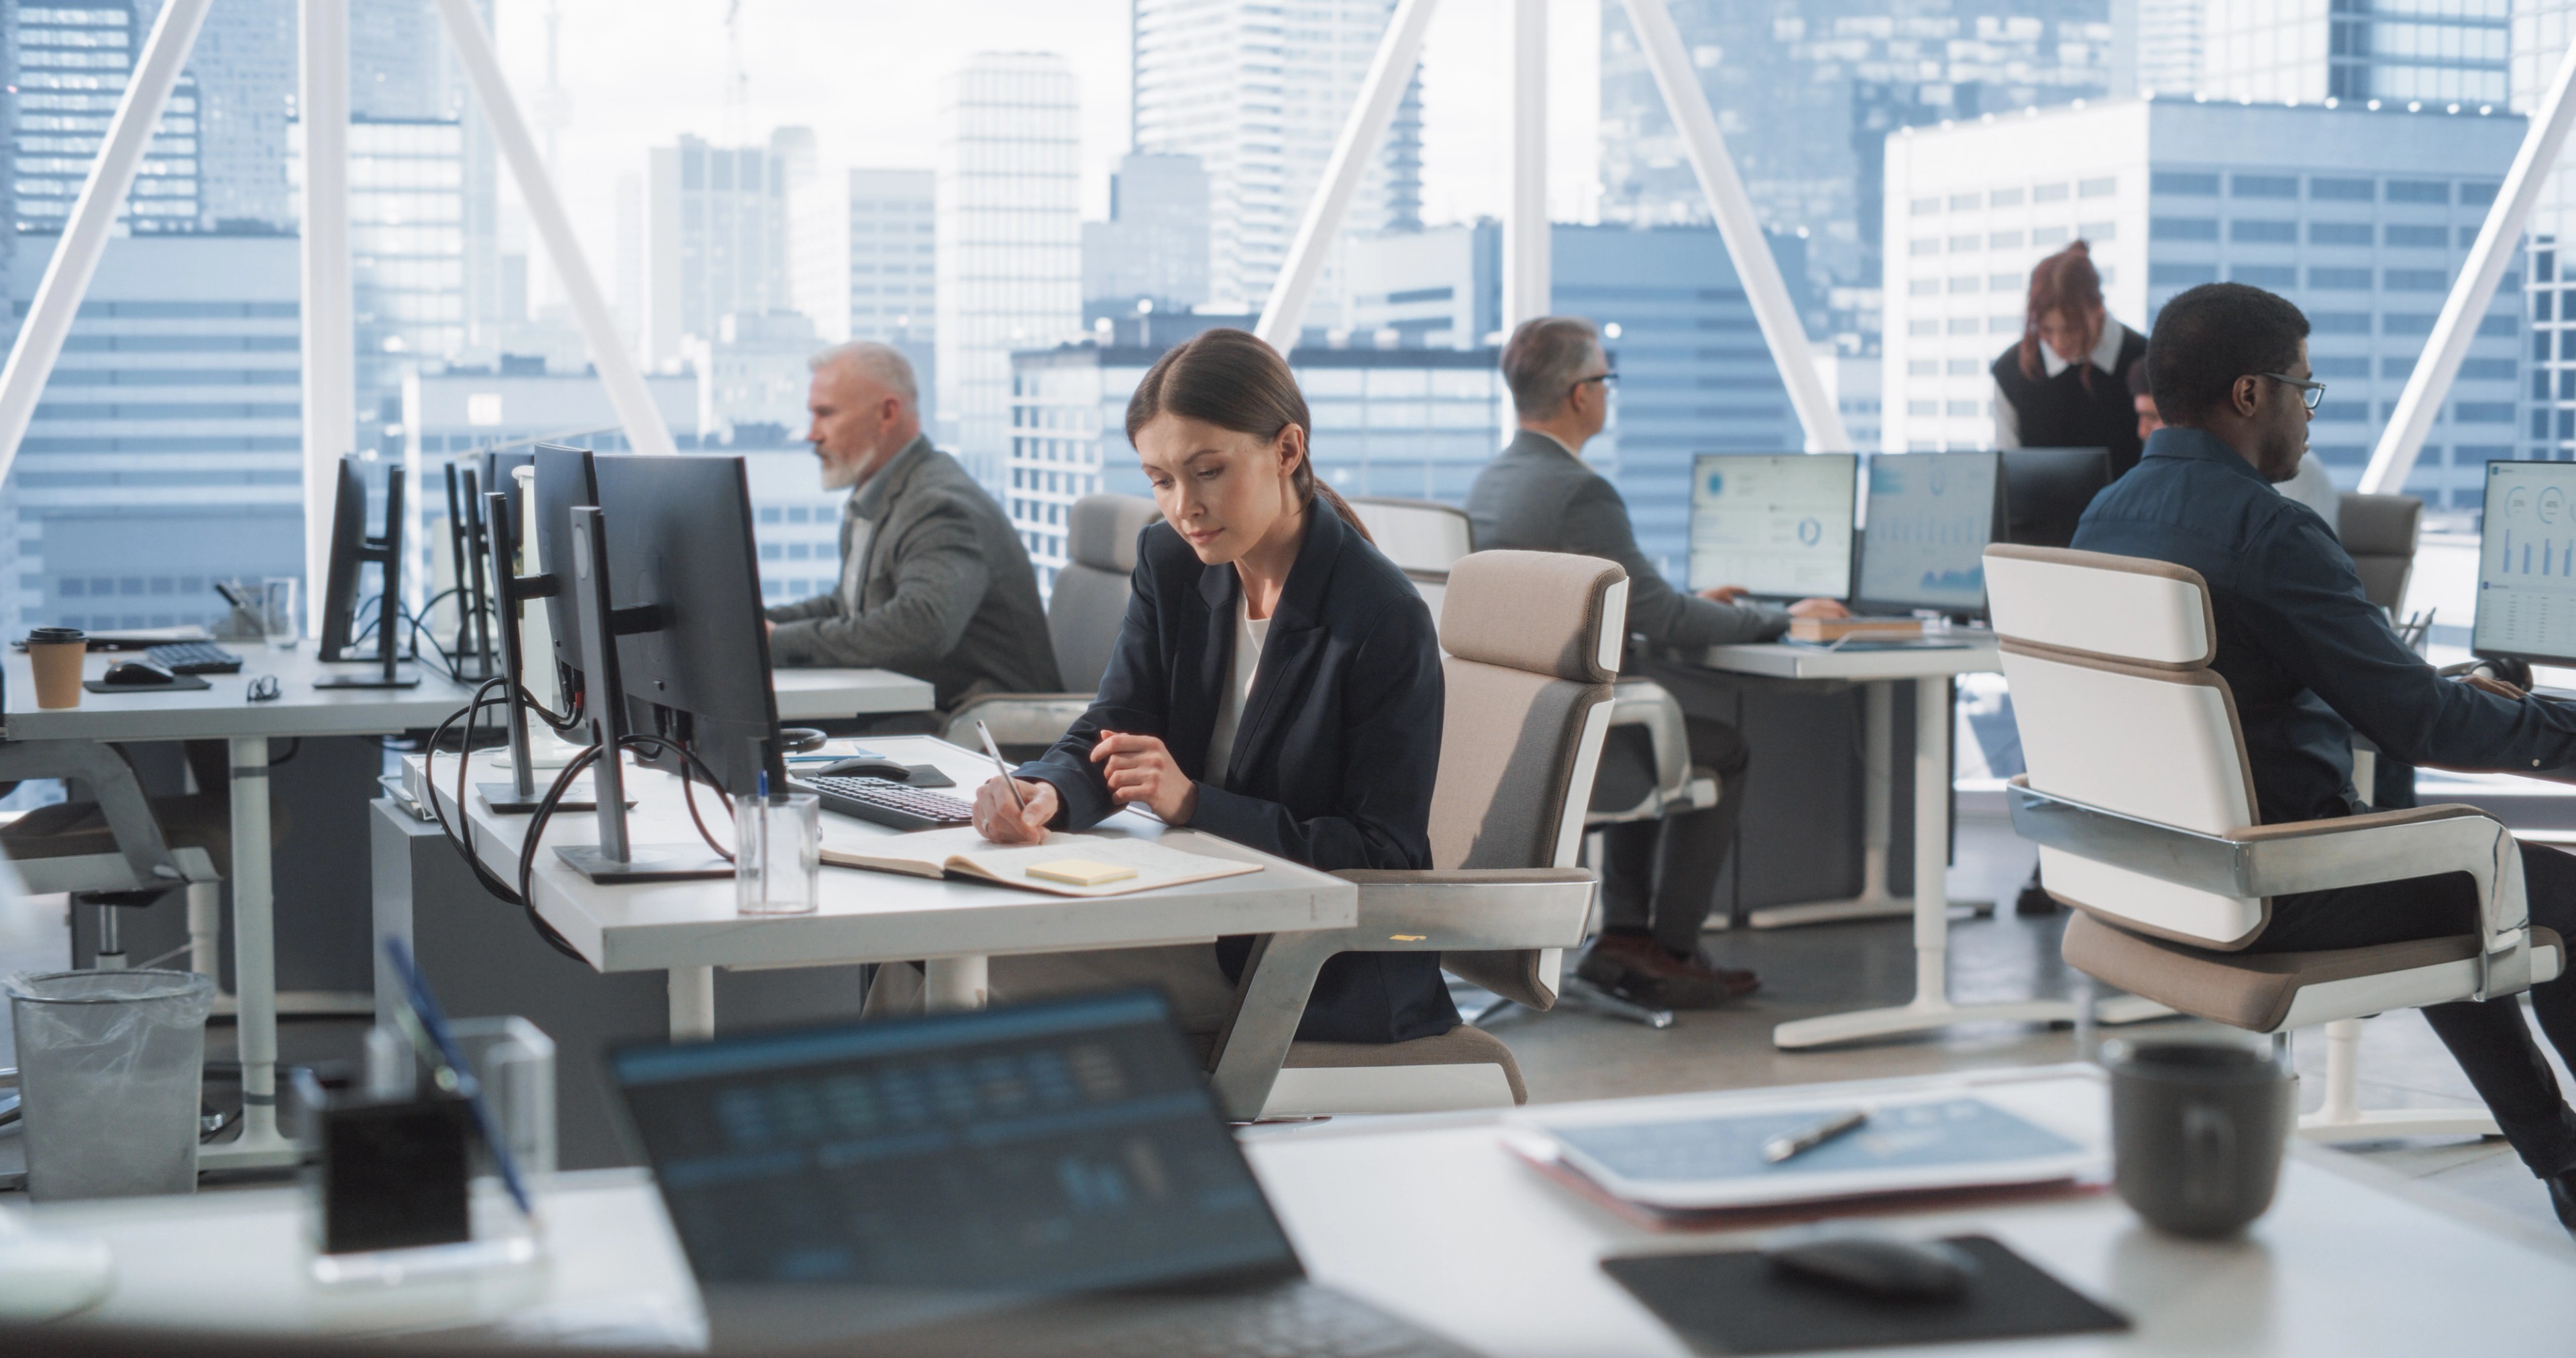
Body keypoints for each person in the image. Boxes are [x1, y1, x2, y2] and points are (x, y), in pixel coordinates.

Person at [2072, 280, 2576, 1233]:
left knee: (2456, 879)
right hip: (2272, 884)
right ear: (2250, 395)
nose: (2310, 410)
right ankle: (2563, 1155)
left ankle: (2562, 1157)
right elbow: (2422, 728)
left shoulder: (2106, 517)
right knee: (2537, 886)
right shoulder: (2270, 530)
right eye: (2305, 386)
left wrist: (2420, 691)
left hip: (2156, 879)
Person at [877, 328, 1454, 1044]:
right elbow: (1117, 719)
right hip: (1191, 903)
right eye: (1161, 479)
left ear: (1287, 450)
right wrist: (1048, 790)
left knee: (963, 978)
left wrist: (1194, 802)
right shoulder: (1175, 561)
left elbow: (1384, 855)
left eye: (1207, 471)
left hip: (1300, 963)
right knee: (918, 953)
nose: (1185, 506)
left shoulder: (1380, 617)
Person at [1464, 316, 1847, 1009]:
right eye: (1606, 380)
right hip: (1571, 745)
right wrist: (1785, 618)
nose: (1608, 393)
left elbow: (1628, 602)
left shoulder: (1493, 482)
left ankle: (1628, 938)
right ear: (1582, 395)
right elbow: (1661, 618)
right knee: (1721, 750)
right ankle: (1667, 948)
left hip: (1516, 734)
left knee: (1645, 712)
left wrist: (1694, 604)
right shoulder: (1581, 492)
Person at [765, 341, 1061, 716]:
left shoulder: (938, 503)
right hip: (918, 706)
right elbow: (848, 606)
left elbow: (921, 627)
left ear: (887, 414)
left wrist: (777, 642)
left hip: (976, 728)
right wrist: (757, 624)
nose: (813, 434)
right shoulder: (874, 495)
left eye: (825, 414)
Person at [1992, 241, 2149, 478]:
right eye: (2046, 330)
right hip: (2036, 514)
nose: (2059, 343)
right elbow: (2006, 468)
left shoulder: (2144, 358)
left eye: (2071, 329)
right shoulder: (2011, 371)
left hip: (2130, 512)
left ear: (2098, 307)